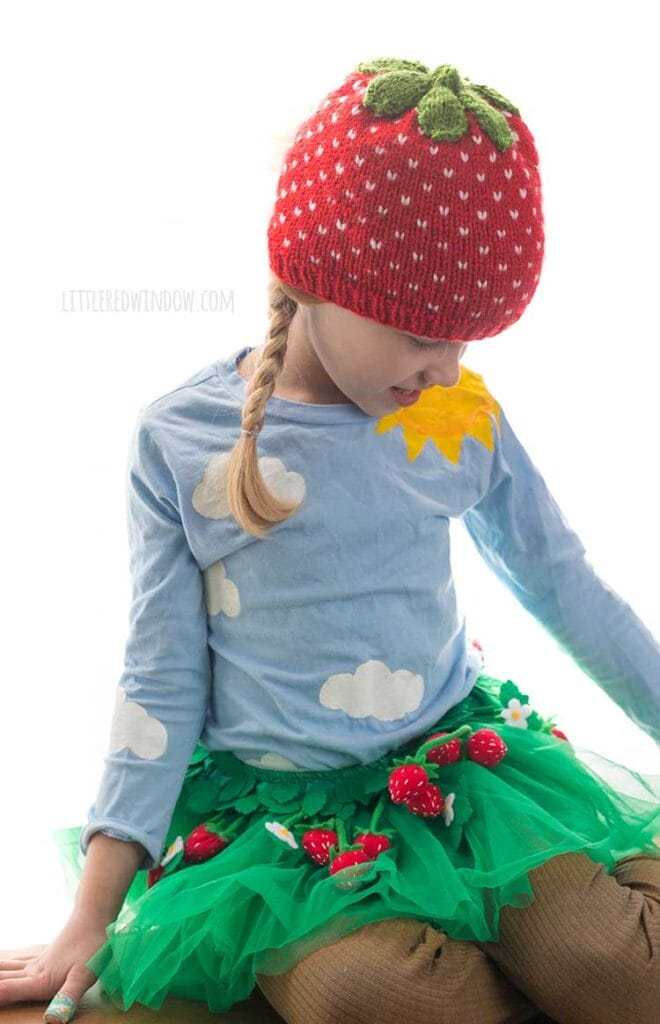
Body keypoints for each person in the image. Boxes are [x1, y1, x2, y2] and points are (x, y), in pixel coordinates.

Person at [1, 56, 658, 1024]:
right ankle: (469, 954)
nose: (443, 366)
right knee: (372, 996)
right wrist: (89, 918)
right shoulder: (183, 442)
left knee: (618, 967)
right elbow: (158, 679)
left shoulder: (455, 416)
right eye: (415, 332)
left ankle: (549, 938)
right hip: (289, 827)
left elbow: (565, 585)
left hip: (463, 779)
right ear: (310, 276)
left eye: (466, 338)